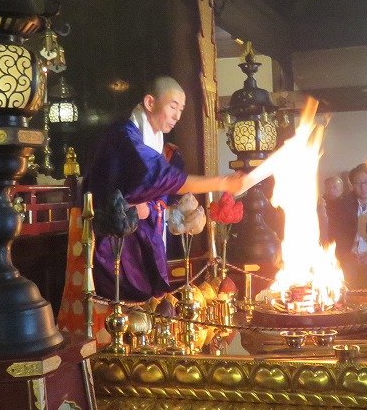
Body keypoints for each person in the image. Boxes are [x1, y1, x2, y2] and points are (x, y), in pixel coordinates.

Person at [84, 77, 248, 301]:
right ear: (150, 102)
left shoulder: (155, 141)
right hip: (115, 243)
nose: (177, 116)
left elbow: (159, 191)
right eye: (173, 107)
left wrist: (159, 211)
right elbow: (162, 179)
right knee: (127, 304)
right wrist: (223, 183)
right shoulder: (124, 136)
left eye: (181, 109)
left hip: (143, 236)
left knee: (153, 301)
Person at [324, 163, 367, 289]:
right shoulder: (342, 205)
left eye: (366, 182)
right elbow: (335, 233)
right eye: (357, 183)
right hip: (349, 256)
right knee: (344, 277)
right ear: (352, 185)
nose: (362, 187)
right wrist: (346, 254)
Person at [317, 174, 344, 244]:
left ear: (341, 190)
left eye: (334, 187)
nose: (331, 190)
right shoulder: (320, 203)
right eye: (328, 187)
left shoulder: (347, 204)